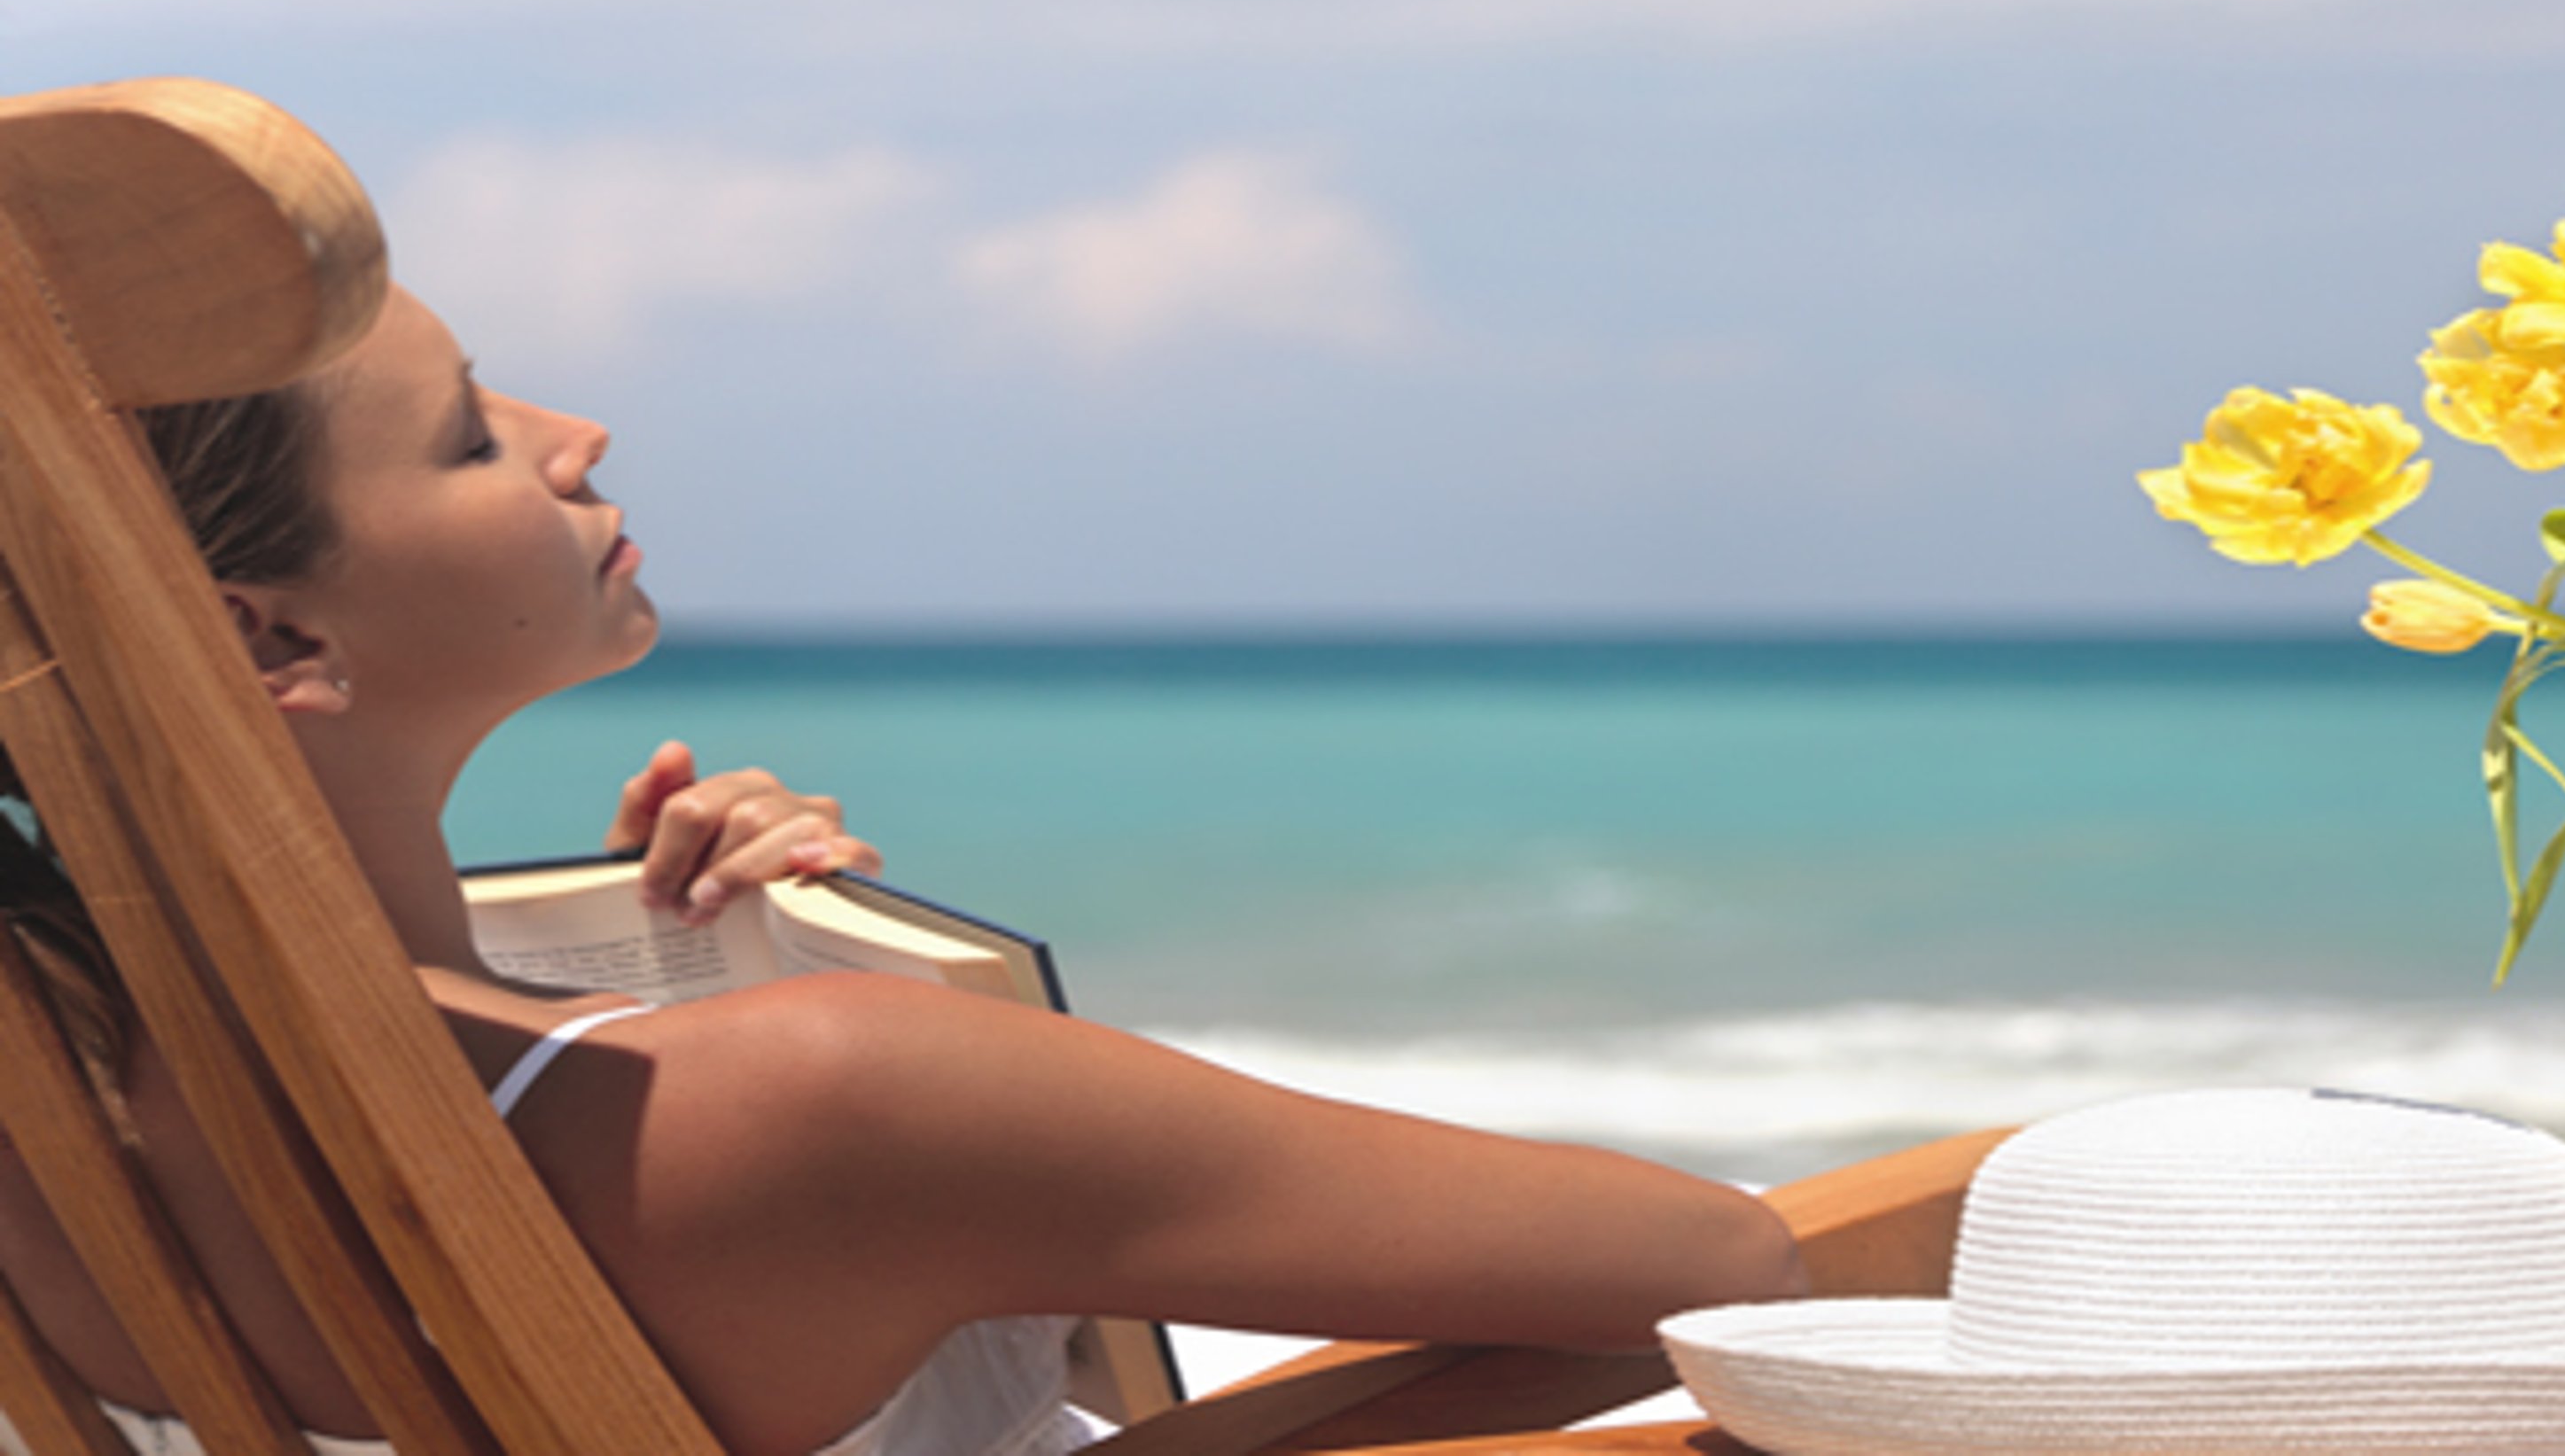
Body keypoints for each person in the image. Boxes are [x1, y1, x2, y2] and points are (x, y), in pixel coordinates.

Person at [0, 283, 1806, 1456]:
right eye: (472, 432)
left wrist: (682, 982)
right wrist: (834, 1045)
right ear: (258, 639)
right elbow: (1723, 1262)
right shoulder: (822, 1106)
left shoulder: (52, 1129)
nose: (578, 435)